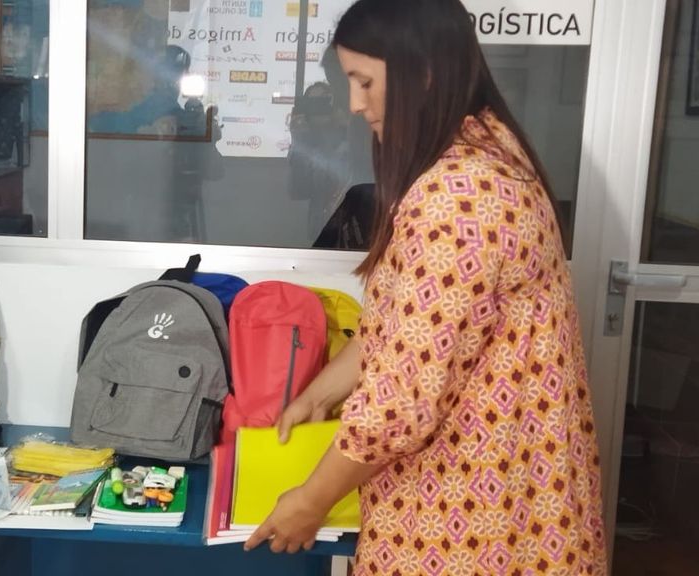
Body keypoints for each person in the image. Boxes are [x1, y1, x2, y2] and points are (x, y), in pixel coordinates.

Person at [243, 1, 608, 574]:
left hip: (473, 513)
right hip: (499, 497)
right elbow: (409, 330)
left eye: (365, 81)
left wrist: (310, 502)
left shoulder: (461, 197)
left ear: (425, 73)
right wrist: (319, 394)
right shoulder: (487, 155)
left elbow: (399, 400)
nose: (357, 104)